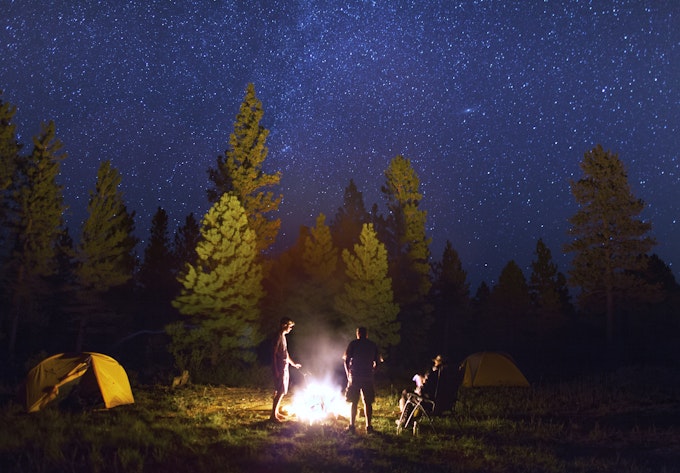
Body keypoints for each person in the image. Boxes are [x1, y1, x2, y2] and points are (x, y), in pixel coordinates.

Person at [343, 326, 381, 433]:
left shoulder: (353, 344)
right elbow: (378, 361)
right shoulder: (372, 345)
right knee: (368, 402)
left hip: (355, 376)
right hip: (367, 376)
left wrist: (348, 373)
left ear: (358, 334)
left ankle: (352, 426)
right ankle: (369, 426)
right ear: (366, 334)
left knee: (354, 402)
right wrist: (373, 372)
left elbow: (346, 360)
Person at [270, 317, 301, 422]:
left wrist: (293, 364)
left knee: (281, 390)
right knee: (280, 390)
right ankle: (273, 416)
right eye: (290, 326)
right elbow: (273, 354)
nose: (291, 328)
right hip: (280, 367)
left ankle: (276, 412)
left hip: (284, 366)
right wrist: (276, 369)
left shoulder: (283, 336)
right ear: (284, 325)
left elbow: (285, 353)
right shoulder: (278, 336)